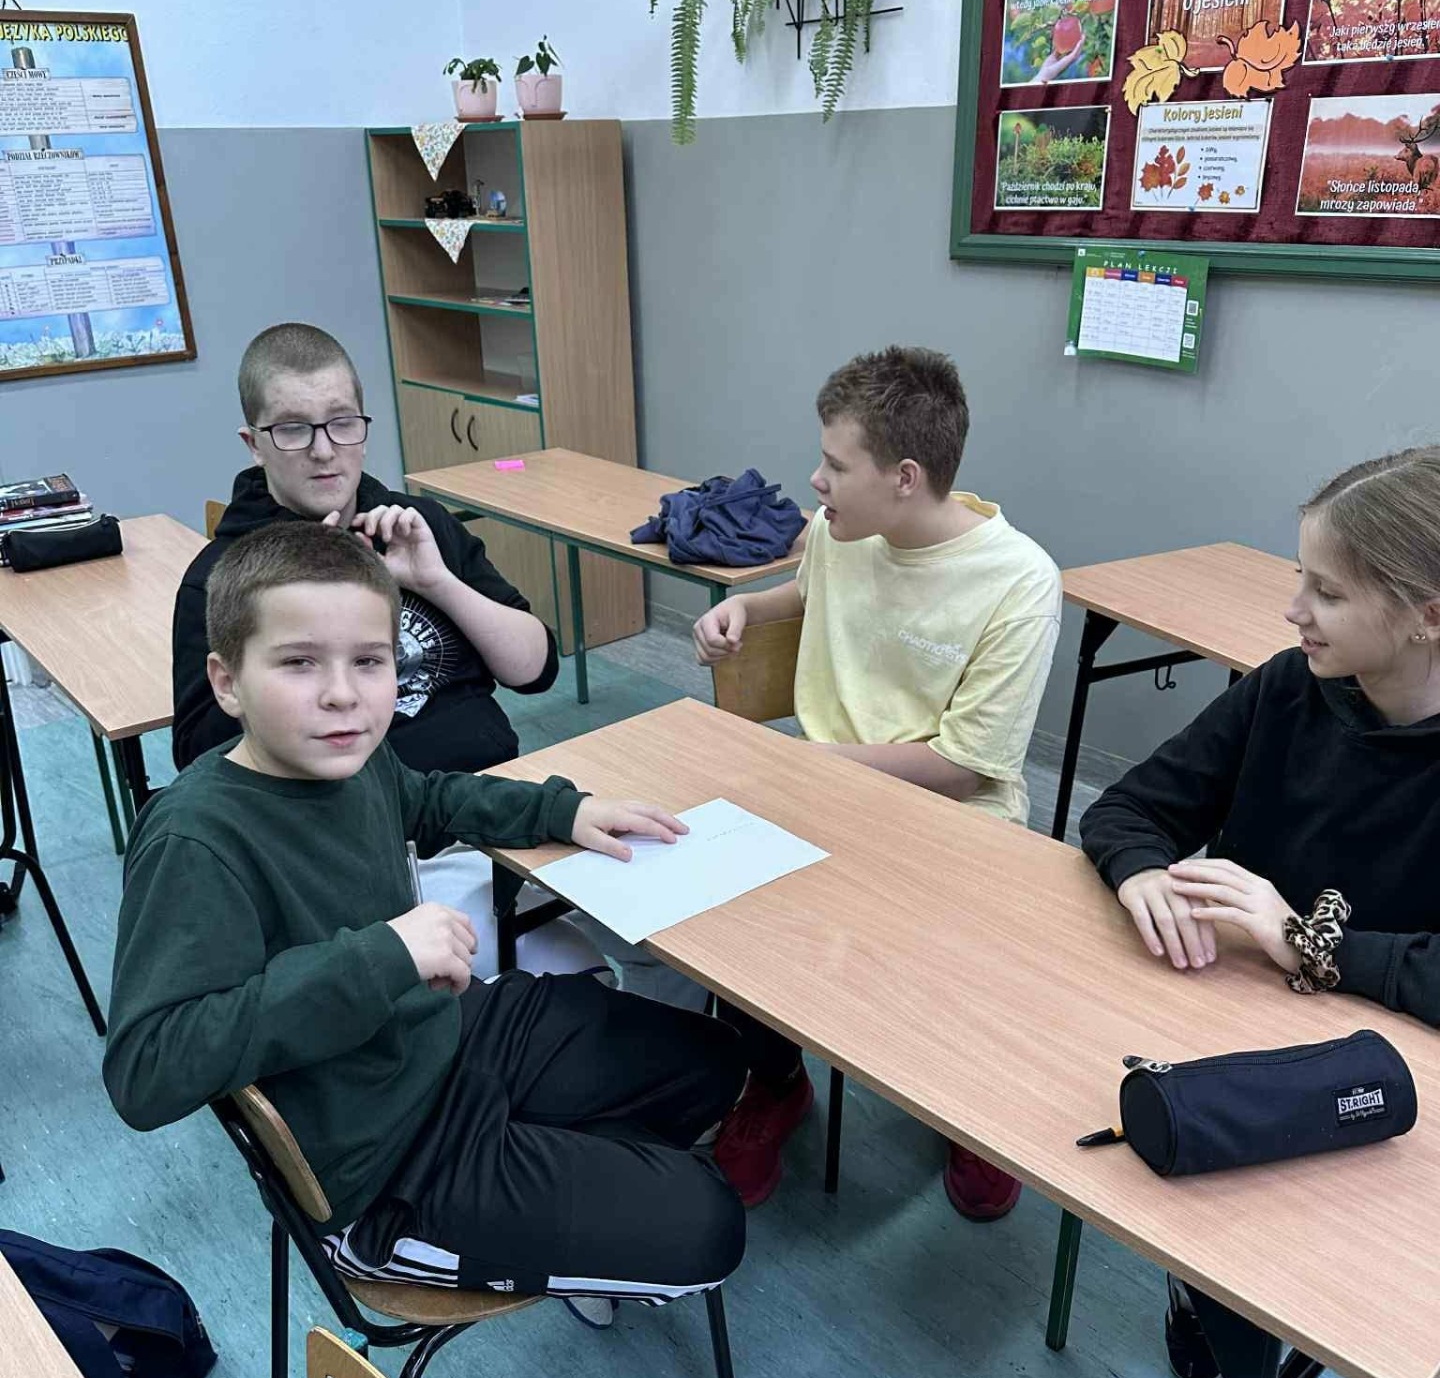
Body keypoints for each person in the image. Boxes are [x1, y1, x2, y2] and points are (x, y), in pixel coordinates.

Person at [106, 519, 762, 1311]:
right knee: (709, 1229)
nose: (343, 692)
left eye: (369, 661)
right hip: (381, 1161)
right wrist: (381, 957)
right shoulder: (195, 840)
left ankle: (564, 1195)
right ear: (226, 682)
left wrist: (564, 810)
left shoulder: (349, 757)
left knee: (714, 1058)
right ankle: (432, 1236)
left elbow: (431, 797)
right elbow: (146, 1071)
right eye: (299, 662)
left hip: (446, 1038)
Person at [1080, 444, 1440, 1378]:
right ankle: (1215, 1292)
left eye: (1328, 593)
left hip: (1385, 1068)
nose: (1293, 611)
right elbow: (1127, 810)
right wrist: (1141, 872)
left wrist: (1301, 941)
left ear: (1427, 616)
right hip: (1230, 1023)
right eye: (1298, 579)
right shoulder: (1288, 687)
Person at [694, 346, 1062, 1217]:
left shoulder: (1020, 582)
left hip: (952, 819)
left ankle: (975, 1108)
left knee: (945, 979)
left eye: (834, 463)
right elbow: (809, 591)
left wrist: (807, 768)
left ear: (904, 478)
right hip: (825, 790)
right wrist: (747, 605)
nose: (815, 480)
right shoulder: (840, 532)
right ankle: (775, 1081)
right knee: (720, 923)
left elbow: (963, 766)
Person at [172, 322, 593, 977]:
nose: (324, 451)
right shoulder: (227, 575)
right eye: (293, 429)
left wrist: (436, 581)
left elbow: (535, 668)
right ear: (254, 443)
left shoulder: (417, 526)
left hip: (496, 801)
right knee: (575, 971)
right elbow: (203, 756)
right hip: (371, 846)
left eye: (342, 423)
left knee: (664, 913)